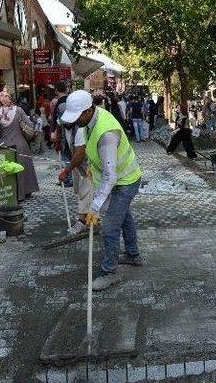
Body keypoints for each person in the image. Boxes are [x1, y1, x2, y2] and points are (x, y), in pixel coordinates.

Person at [60, 90, 143, 291]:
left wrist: (94, 207)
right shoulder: (90, 121)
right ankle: (133, 255)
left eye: (77, 117)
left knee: (110, 228)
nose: (75, 122)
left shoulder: (106, 134)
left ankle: (109, 272)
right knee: (124, 217)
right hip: (118, 179)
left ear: (88, 111)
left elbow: (110, 176)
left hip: (125, 180)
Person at [0, 90, 39, 201]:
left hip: (5, 145)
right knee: (23, 167)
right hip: (20, 143)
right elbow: (29, 124)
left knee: (9, 170)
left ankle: (13, 194)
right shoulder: (18, 110)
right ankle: (26, 191)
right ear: (10, 98)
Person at [58, 118, 94, 235]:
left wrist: (66, 171)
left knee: (86, 192)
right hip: (75, 163)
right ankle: (92, 220)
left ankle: (82, 221)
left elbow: (80, 154)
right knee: (79, 190)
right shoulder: (63, 125)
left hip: (88, 165)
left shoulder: (81, 129)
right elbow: (64, 140)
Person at [50, 81, 72, 185]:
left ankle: (68, 179)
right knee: (67, 156)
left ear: (56, 90)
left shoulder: (62, 103)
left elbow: (64, 121)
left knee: (66, 157)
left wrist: (56, 132)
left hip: (65, 135)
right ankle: (68, 178)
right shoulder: (66, 101)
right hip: (65, 134)